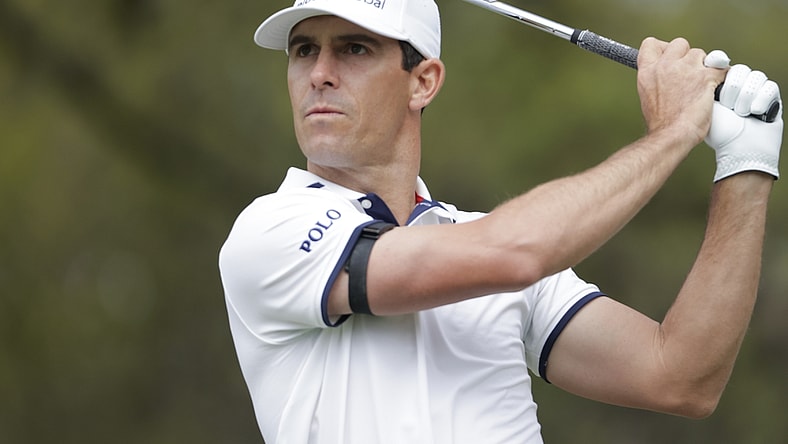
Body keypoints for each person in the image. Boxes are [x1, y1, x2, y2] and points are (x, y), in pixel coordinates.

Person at [218, 0, 783, 442]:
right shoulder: (272, 230)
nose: (319, 73)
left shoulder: (473, 236)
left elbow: (680, 376)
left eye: (354, 49)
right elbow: (514, 254)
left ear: (423, 82)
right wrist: (674, 130)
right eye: (302, 51)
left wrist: (746, 166)